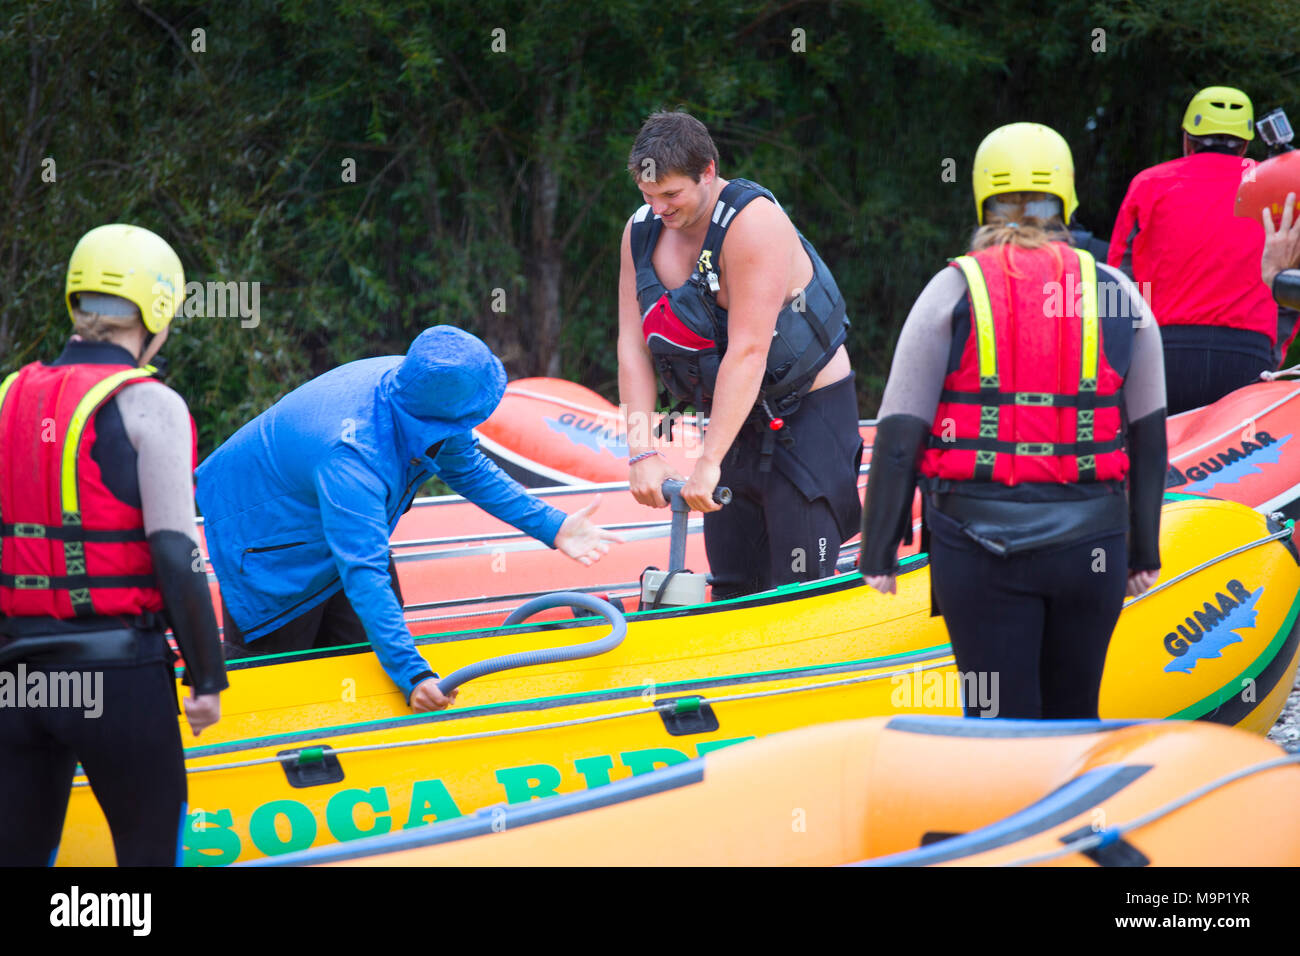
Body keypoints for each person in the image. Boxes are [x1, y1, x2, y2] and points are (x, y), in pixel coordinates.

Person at [860, 124, 1168, 720]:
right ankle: (1076, 811)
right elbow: (1148, 437)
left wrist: (879, 551)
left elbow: (900, 436)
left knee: (997, 721)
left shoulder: (950, 289)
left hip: (979, 549)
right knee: (1075, 713)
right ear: (1067, 198)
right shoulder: (1119, 293)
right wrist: (1142, 553)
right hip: (1092, 549)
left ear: (980, 196)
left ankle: (1006, 809)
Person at [196, 326, 619, 713]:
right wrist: (414, 675)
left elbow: (466, 466)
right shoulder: (353, 456)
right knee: (276, 693)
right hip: (267, 541)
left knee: (362, 672)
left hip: (331, 519)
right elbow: (363, 571)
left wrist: (553, 525)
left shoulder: (420, 388)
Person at [0, 223, 227, 866]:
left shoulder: (9, 397)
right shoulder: (151, 405)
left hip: (19, 680)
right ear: (156, 309)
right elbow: (176, 551)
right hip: (118, 677)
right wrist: (206, 675)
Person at [617, 110, 863, 600]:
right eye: (648, 196)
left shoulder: (753, 224)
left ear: (707, 171)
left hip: (805, 415)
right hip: (734, 419)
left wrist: (708, 461)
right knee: (733, 584)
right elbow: (632, 344)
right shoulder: (641, 231)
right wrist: (642, 450)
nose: (659, 208)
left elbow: (749, 350)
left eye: (671, 195)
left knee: (802, 585)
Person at [1108, 86, 1298, 413]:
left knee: (1152, 459)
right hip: (1247, 358)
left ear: (1187, 139)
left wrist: (1121, 358)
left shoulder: (1149, 184)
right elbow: (1291, 283)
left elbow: (1116, 283)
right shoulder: (1277, 187)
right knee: (1233, 461)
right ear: (1245, 144)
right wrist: (1271, 351)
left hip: (1162, 354)